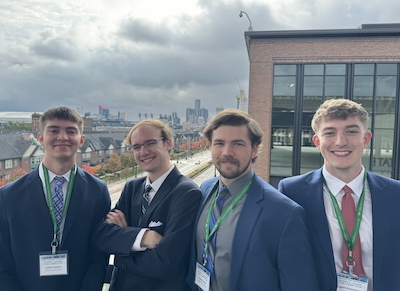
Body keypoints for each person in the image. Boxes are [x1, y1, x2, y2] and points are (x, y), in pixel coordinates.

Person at [187, 109, 318, 291]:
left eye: (237, 144)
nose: (226, 152)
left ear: (255, 149)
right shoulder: (204, 190)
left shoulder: (284, 212)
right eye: (219, 143)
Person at [279, 98, 400, 291]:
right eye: (330, 133)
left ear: (366, 139)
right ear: (317, 142)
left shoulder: (396, 194)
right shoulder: (292, 193)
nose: (341, 142)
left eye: (351, 131)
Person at [0, 106, 111, 291]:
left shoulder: (98, 191)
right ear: (41, 138)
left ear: (81, 140)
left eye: (70, 131)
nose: (62, 137)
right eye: (54, 130)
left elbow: (98, 256)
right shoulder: (8, 196)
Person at [94, 119, 202, 291]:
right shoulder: (132, 188)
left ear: (168, 143)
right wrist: (145, 238)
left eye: (150, 143)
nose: (143, 152)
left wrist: (122, 251)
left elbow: (166, 263)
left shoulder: (187, 194)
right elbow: (102, 235)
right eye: (136, 147)